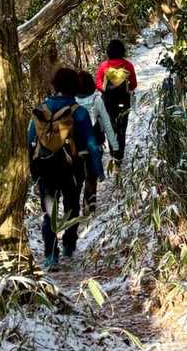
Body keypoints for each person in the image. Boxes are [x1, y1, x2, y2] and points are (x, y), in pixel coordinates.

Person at [27, 67, 95, 270]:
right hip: (72, 168)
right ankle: (68, 245)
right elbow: (91, 144)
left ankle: (50, 255)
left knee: (49, 212)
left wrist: (33, 170)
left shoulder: (40, 111)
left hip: (45, 167)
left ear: (55, 84)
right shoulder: (79, 112)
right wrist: (96, 170)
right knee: (72, 207)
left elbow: (30, 141)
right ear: (75, 87)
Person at [75, 70, 116, 215]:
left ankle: (74, 209)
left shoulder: (72, 101)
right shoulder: (97, 100)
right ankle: (89, 207)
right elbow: (106, 122)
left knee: (78, 178)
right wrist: (114, 144)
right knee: (91, 177)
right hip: (95, 143)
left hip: (76, 146)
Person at [95, 39, 137, 169]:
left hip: (107, 102)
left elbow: (98, 85)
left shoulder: (103, 66)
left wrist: (107, 90)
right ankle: (119, 159)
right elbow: (134, 84)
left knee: (110, 128)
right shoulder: (128, 65)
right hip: (123, 101)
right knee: (121, 130)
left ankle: (113, 155)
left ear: (108, 51)